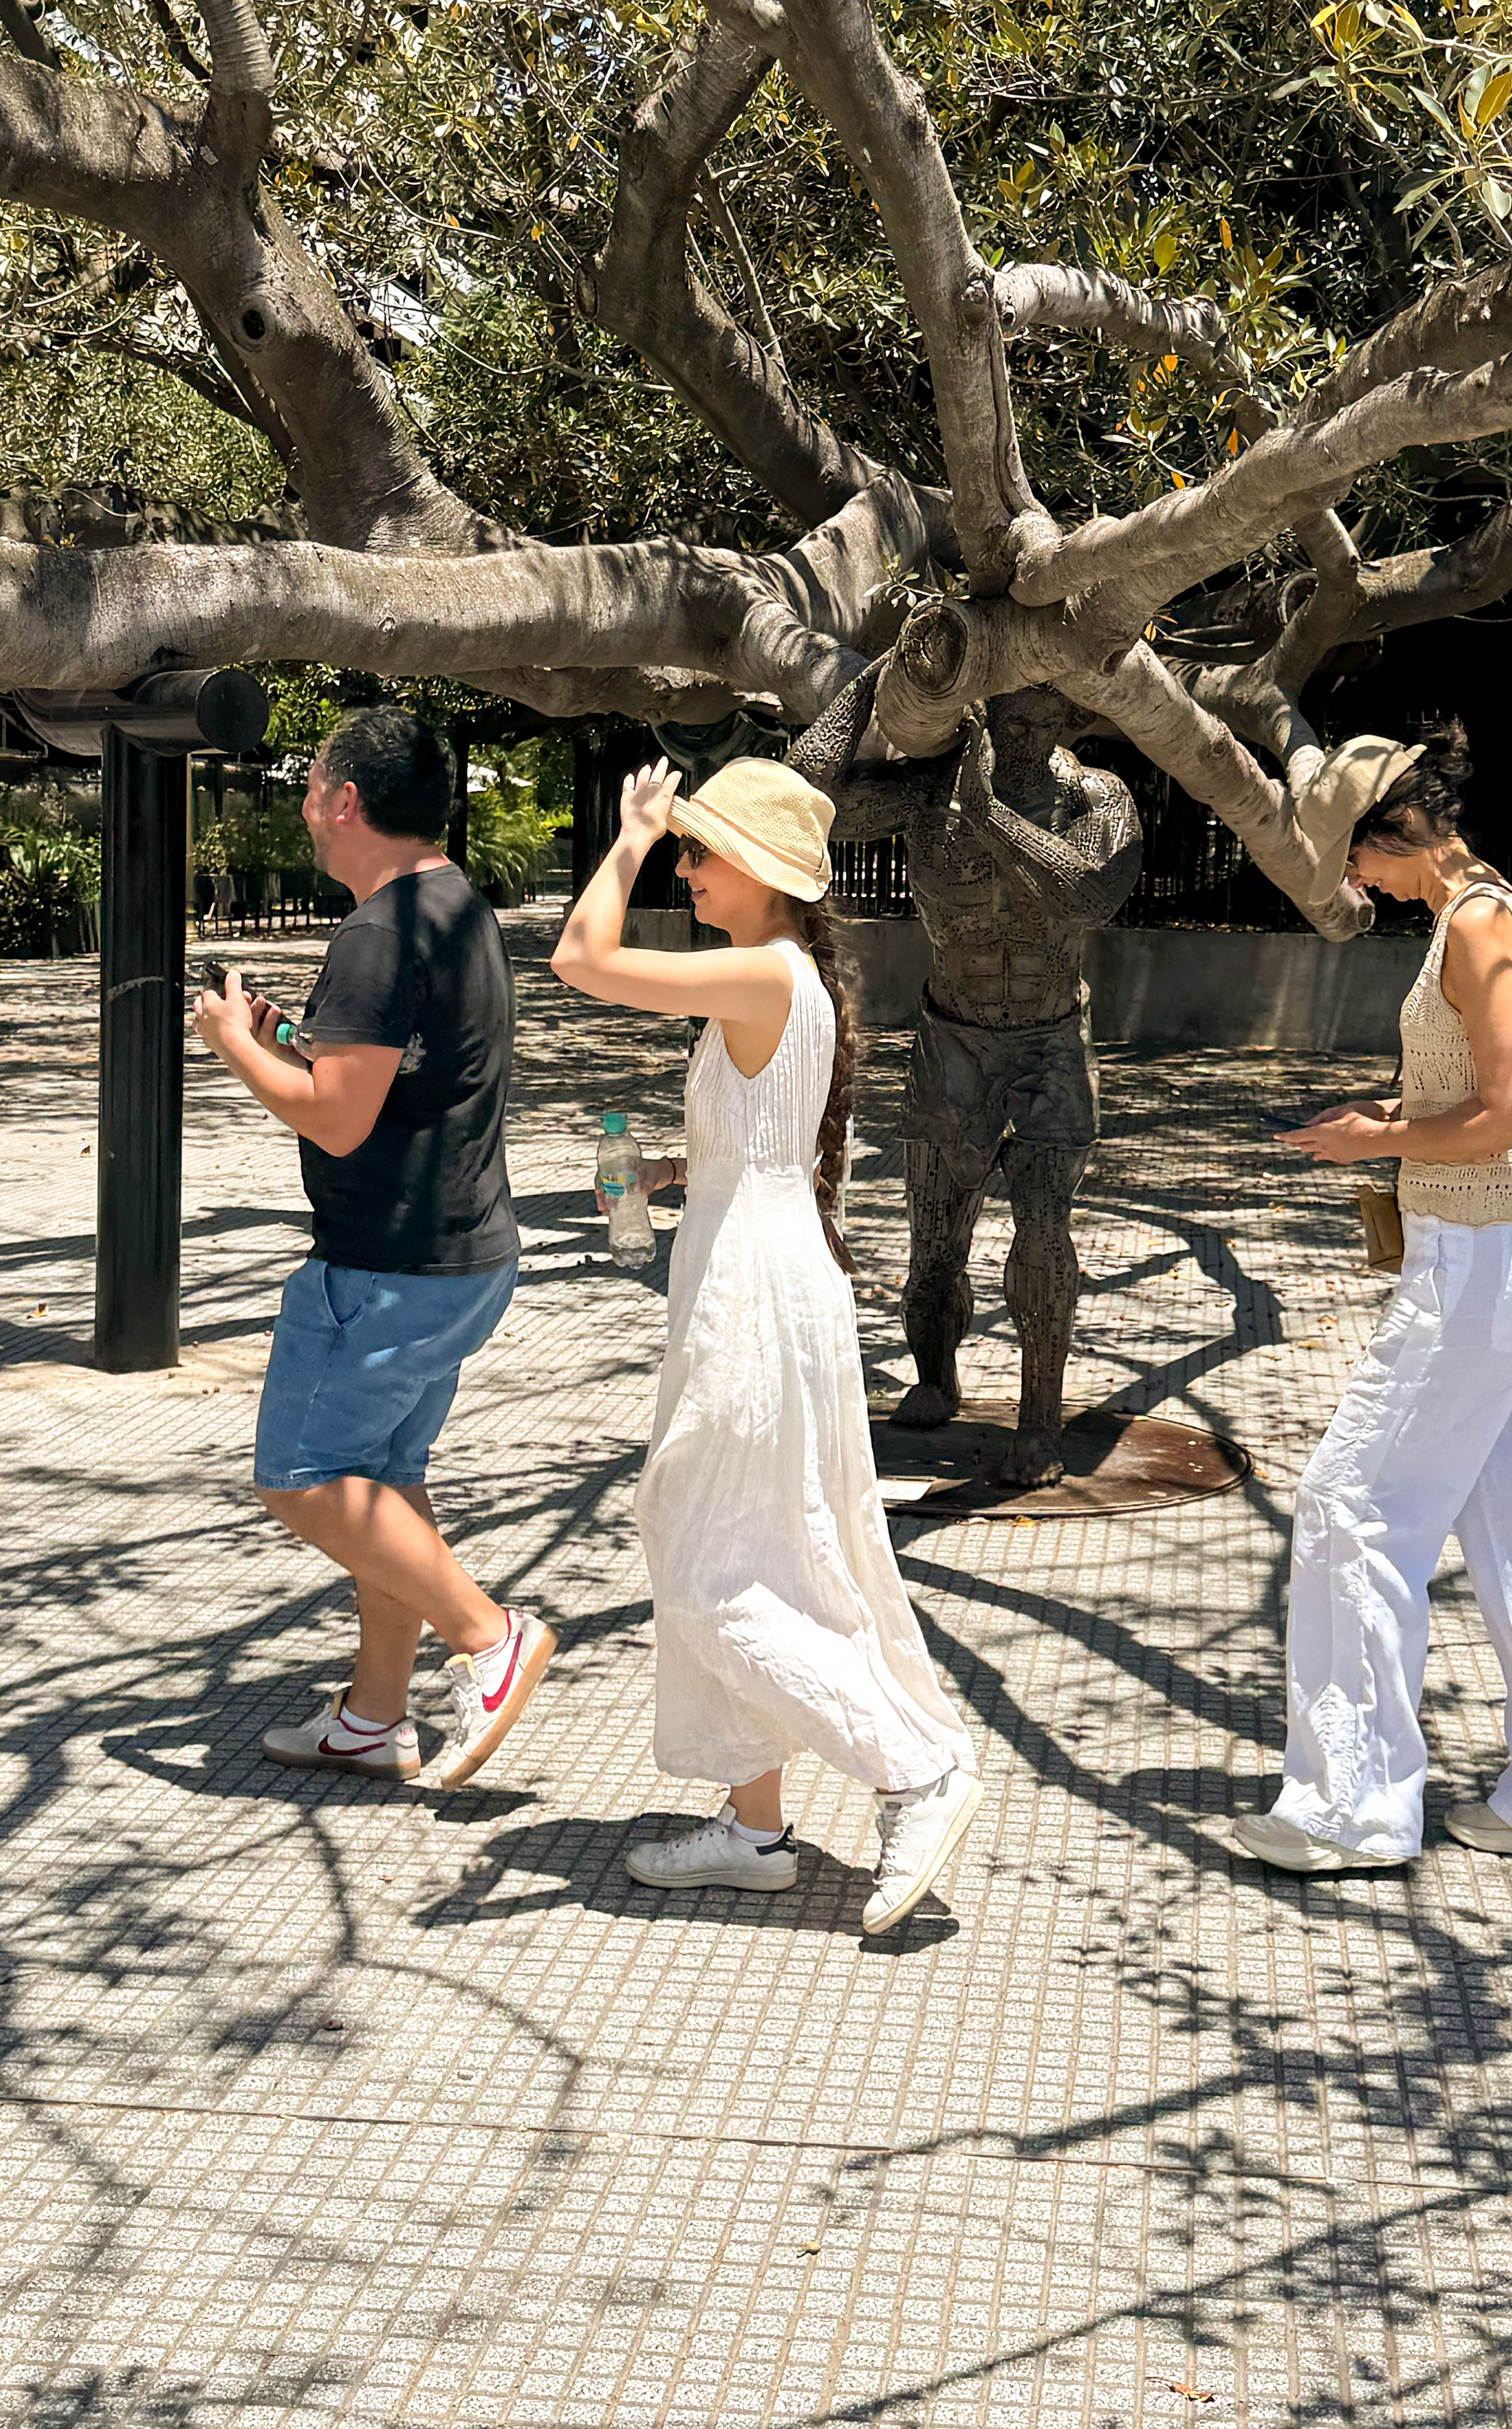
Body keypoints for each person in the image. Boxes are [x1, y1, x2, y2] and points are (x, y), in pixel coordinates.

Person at [551, 755, 981, 1936]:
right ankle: (753, 1826)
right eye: (681, 847)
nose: (686, 866)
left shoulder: (759, 967)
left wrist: (631, 831)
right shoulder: (790, 977)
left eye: (702, 849)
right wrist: (665, 1170)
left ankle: (913, 1765)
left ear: (766, 873)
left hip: (752, 1288)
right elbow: (763, 1147)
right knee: (760, 1542)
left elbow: (579, 959)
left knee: (706, 1562)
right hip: (763, 1267)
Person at [1242, 725, 1512, 1875]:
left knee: (1348, 1505)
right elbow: (1491, 1092)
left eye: (1353, 858)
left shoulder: (1472, 923)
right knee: (1509, 1525)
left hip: (1475, 1266)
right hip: (1511, 1257)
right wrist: (1399, 1119)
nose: (1351, 880)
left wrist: (1386, 1133)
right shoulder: (1495, 906)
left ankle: (1352, 1806)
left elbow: (1510, 1108)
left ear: (1390, 833)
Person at [194, 706, 552, 1790]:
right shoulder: (456, 908)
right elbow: (394, 1070)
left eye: (310, 785)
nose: (303, 805)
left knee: (301, 1474)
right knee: (383, 1483)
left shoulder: (376, 931)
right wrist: (290, 1038)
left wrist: (230, 1049)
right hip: (461, 1255)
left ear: (346, 799)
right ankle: (373, 1714)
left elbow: (337, 1119)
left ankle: (489, 1638)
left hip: (385, 1268)